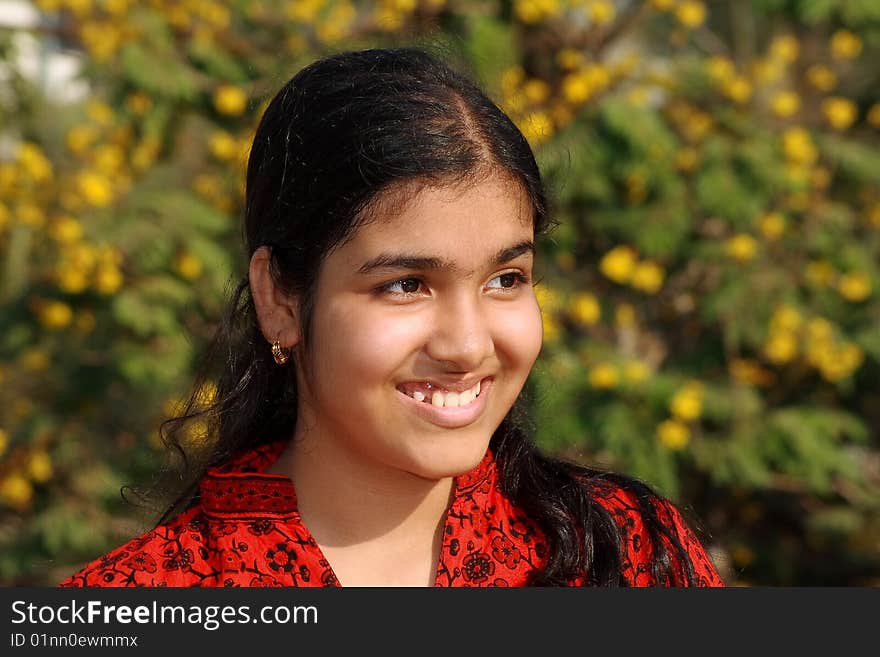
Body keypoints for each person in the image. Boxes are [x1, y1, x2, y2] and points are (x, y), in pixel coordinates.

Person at [60, 47, 724, 588]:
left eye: (506, 278)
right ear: (280, 298)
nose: (467, 344)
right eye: (407, 284)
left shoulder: (625, 554)